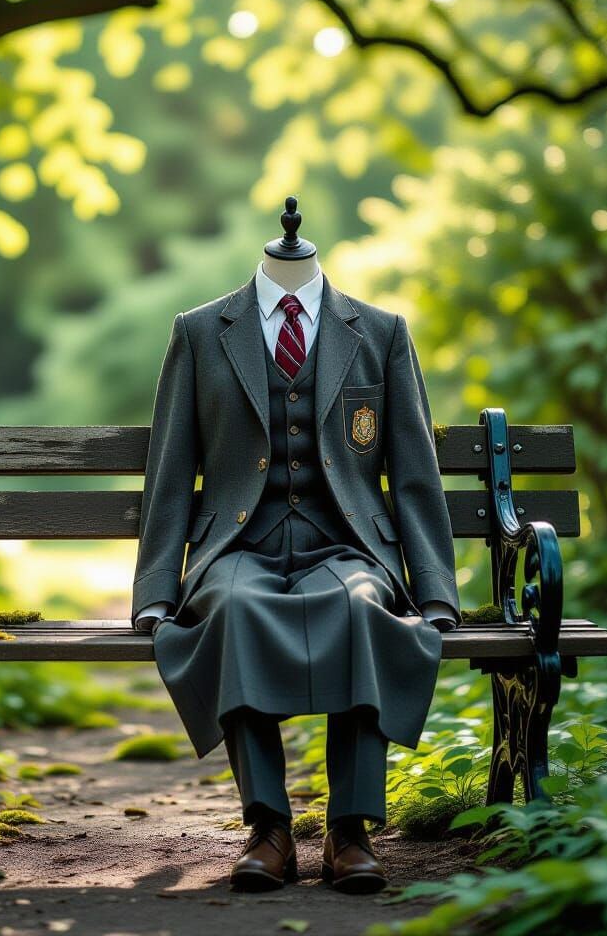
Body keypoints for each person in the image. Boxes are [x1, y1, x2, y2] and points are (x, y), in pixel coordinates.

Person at [131, 200, 459, 893]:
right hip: (238, 547)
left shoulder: (381, 331)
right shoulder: (198, 332)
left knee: (367, 610)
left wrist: (434, 593)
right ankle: (269, 830)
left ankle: (351, 831)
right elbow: (168, 473)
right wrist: (157, 593)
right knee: (233, 609)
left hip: (346, 548)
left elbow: (415, 474)